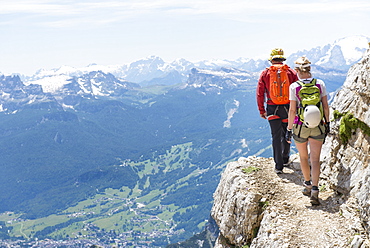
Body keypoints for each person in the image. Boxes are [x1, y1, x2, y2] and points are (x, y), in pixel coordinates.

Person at [285, 56, 330, 205]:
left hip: (300, 126)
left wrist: (289, 128)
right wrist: (327, 123)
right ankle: (316, 190)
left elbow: (292, 110)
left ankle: (307, 185)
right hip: (318, 125)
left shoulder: (294, 86)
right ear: (310, 69)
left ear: (297, 70)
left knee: (304, 157)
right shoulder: (319, 83)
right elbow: (325, 106)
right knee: (315, 159)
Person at [256, 48, 299, 174]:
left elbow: (260, 93)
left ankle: (278, 166)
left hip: (272, 108)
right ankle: (285, 158)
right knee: (287, 131)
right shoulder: (290, 72)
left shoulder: (265, 73)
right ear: (283, 59)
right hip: (287, 108)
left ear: (271, 60)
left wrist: (261, 109)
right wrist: (297, 108)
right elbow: (297, 91)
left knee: (275, 136)